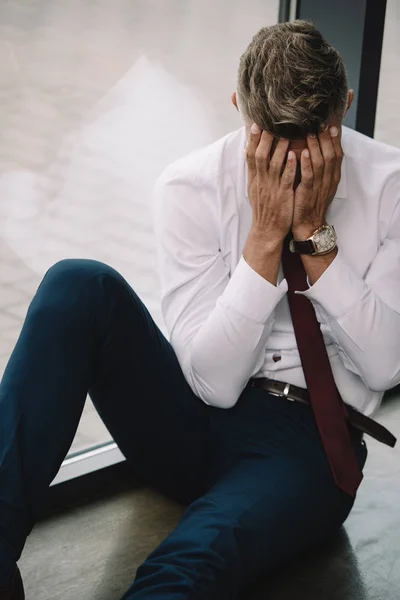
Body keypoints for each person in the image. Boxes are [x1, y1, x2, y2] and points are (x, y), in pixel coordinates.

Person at [1, 18, 399, 600]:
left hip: (308, 441)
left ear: (345, 105)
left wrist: (315, 236)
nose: (291, 165)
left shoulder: (391, 186)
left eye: (312, 140)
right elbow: (211, 383)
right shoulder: (190, 186)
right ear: (239, 106)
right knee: (76, 284)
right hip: (194, 416)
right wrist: (265, 240)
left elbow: (387, 365)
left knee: (183, 571)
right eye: (270, 141)